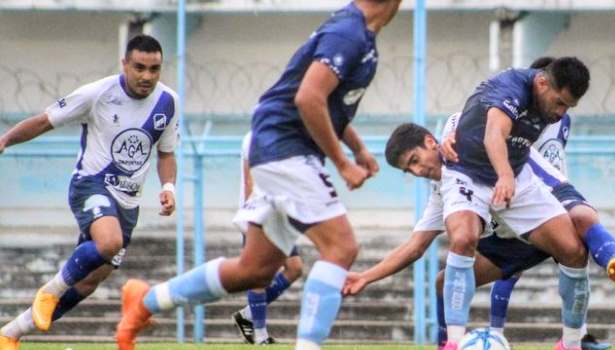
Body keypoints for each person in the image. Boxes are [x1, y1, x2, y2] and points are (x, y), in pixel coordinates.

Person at [114, 2, 401, 350]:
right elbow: (308, 97)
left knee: (254, 270)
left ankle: (144, 301)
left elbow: (327, 103)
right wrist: (342, 163)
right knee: (341, 247)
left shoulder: (360, 34)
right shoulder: (349, 32)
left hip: (278, 147)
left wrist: (357, 148)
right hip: (284, 148)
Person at [385, 57, 593, 350]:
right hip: (505, 236)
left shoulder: (548, 126)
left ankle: (574, 341)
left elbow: (532, 163)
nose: (417, 171)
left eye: (415, 162)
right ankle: (452, 344)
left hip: (527, 204)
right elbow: (415, 246)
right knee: (457, 254)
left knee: (577, 246)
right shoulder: (449, 177)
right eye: (410, 168)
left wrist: (611, 256)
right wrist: (364, 277)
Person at [442, 56, 615, 350]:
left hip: (519, 177)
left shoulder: (553, 109)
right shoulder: (510, 87)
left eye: (568, 107)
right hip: (470, 174)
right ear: (542, 82)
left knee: (572, 250)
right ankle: (453, 344)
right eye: (559, 103)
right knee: (464, 237)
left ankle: (571, 344)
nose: (560, 113)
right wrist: (504, 174)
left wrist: (510, 175)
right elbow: (494, 132)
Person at [0, 34, 178, 350]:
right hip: (91, 185)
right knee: (109, 243)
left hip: (128, 203)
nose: (146, 76)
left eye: (154, 69)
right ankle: (51, 290)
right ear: (125, 64)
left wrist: (168, 187)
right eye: (139, 67)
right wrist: (5, 141)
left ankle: (10, 333)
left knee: (89, 281)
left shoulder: (168, 102)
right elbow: (44, 121)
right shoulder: (98, 93)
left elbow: (166, 153)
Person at [232, 132, 304, 345]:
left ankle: (248, 314)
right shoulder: (254, 138)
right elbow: (249, 183)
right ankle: (260, 335)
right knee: (258, 275)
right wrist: (252, 221)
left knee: (295, 267)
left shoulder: (290, 136)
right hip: (259, 215)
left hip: (280, 217)